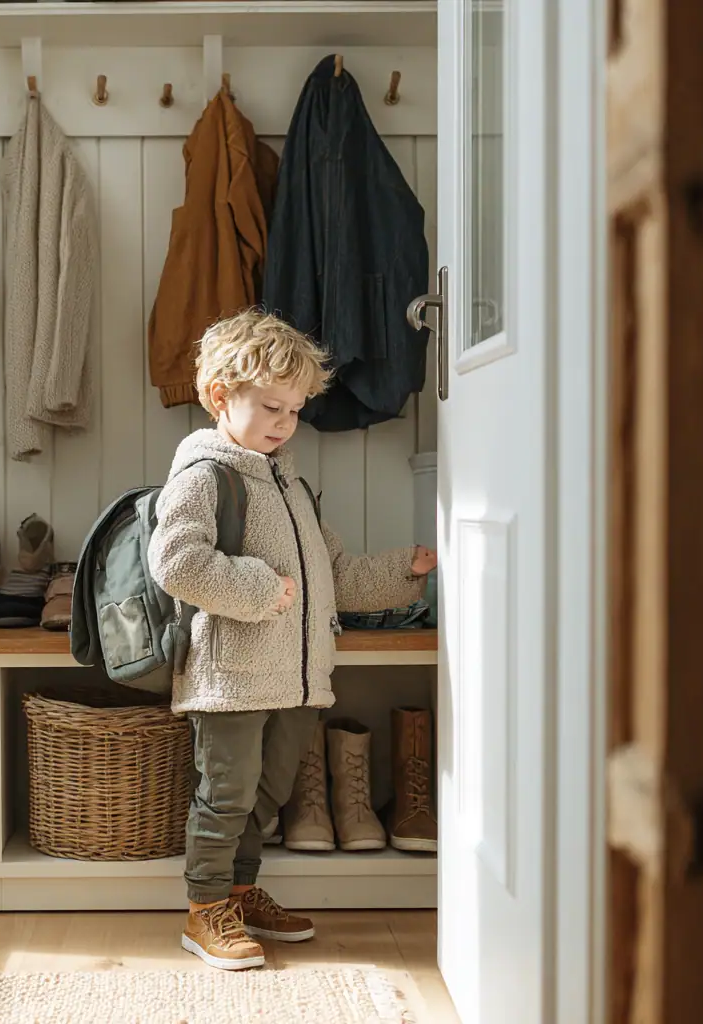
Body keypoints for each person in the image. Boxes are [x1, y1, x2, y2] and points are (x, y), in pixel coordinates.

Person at [148, 309, 437, 971]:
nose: (285, 422)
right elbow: (176, 562)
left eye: (296, 409)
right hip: (232, 678)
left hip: (297, 679)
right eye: (271, 406)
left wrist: (402, 573)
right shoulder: (205, 476)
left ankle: (243, 894)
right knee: (225, 795)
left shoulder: (293, 486)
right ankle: (205, 910)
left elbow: (332, 579)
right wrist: (254, 587)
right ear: (220, 398)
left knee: (268, 795)